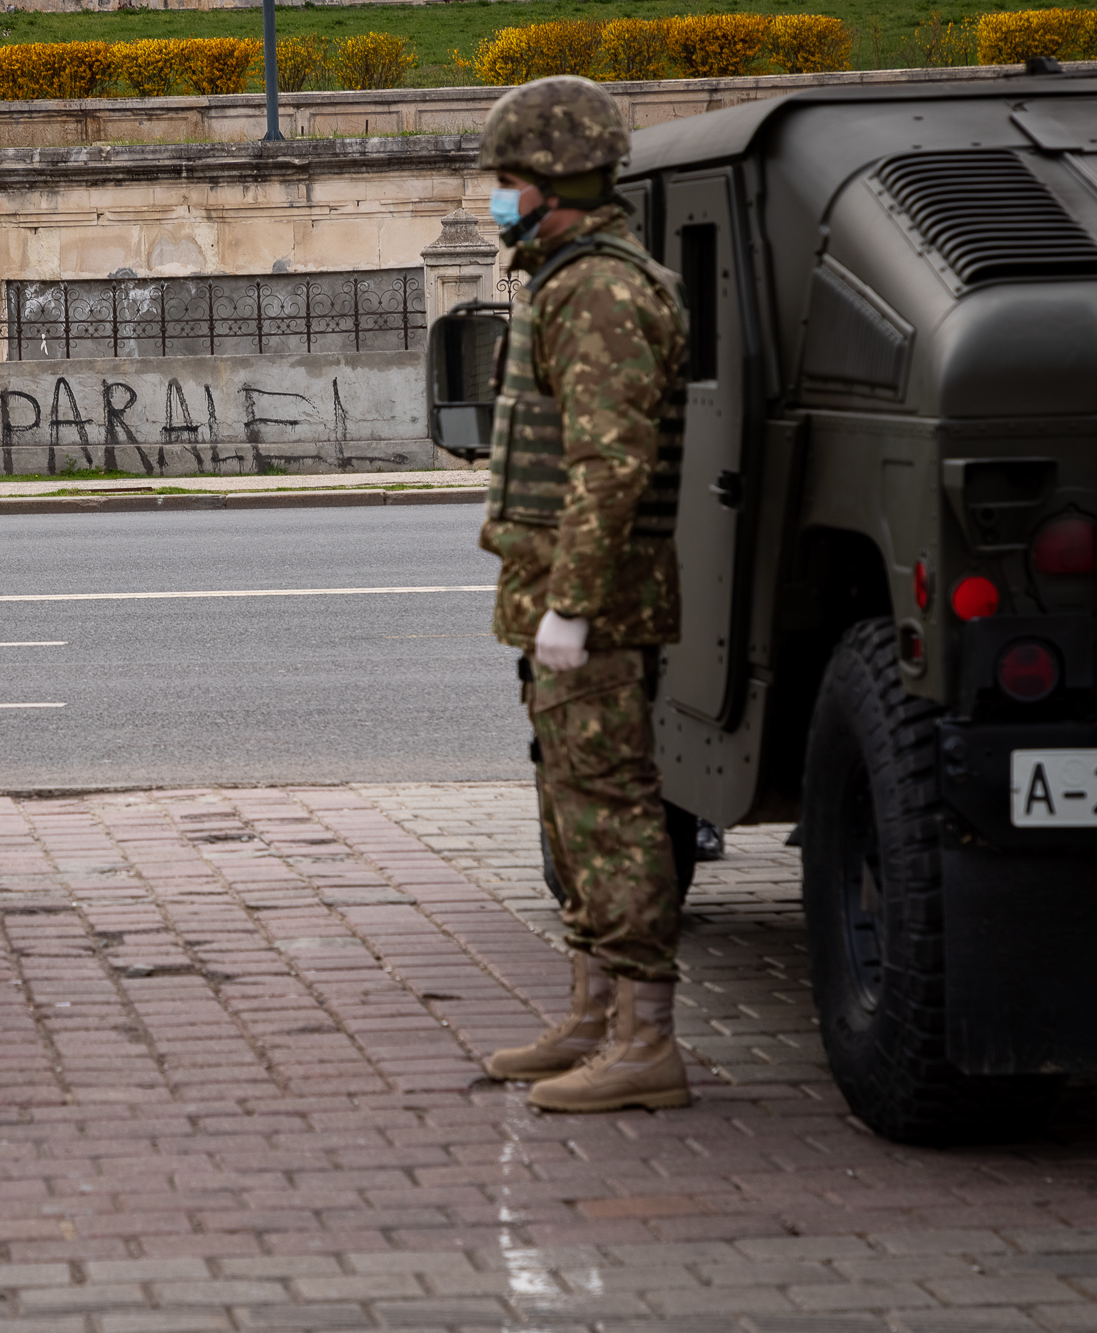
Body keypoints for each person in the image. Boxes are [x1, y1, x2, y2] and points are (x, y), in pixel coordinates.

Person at [473, 76, 692, 1112]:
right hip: (556, 593)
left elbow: (611, 465)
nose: (497, 198)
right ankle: (592, 1014)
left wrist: (572, 603)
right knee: (569, 808)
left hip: (592, 601)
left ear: (556, 184)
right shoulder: (561, 279)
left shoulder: (600, 291)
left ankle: (646, 1040)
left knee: (609, 809)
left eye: (509, 180)